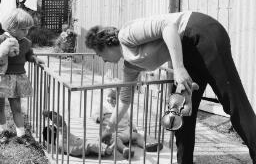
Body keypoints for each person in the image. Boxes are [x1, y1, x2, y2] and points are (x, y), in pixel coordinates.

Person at [85, 11, 256, 164]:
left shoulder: (125, 34)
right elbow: (124, 100)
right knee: (180, 114)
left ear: (106, 44)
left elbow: (168, 26)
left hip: (200, 32)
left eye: (100, 55)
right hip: (188, 52)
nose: (103, 60)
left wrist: (179, 68)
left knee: (234, 104)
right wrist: (108, 130)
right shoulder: (129, 66)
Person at [0, 8, 44, 145]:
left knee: (16, 107)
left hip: (17, 77)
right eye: (23, 29)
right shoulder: (2, 39)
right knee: (0, 106)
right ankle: (3, 131)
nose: (26, 32)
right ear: (12, 27)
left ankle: (21, 134)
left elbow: (28, 54)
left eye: (28, 29)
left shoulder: (26, 42)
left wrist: (34, 58)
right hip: (2, 76)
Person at [92, 88, 163, 159]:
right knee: (116, 141)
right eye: (111, 98)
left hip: (126, 131)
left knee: (138, 136)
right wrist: (98, 118)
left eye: (115, 98)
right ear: (107, 98)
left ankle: (146, 146)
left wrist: (134, 128)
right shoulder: (103, 107)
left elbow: (129, 120)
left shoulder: (121, 107)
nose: (113, 100)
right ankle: (125, 150)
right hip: (114, 133)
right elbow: (94, 115)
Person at [42, 111, 114, 157]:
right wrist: (49, 114)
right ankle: (107, 149)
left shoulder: (58, 142)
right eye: (53, 127)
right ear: (54, 131)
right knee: (90, 144)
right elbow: (60, 121)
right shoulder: (61, 137)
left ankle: (102, 147)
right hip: (77, 146)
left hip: (74, 149)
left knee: (90, 145)